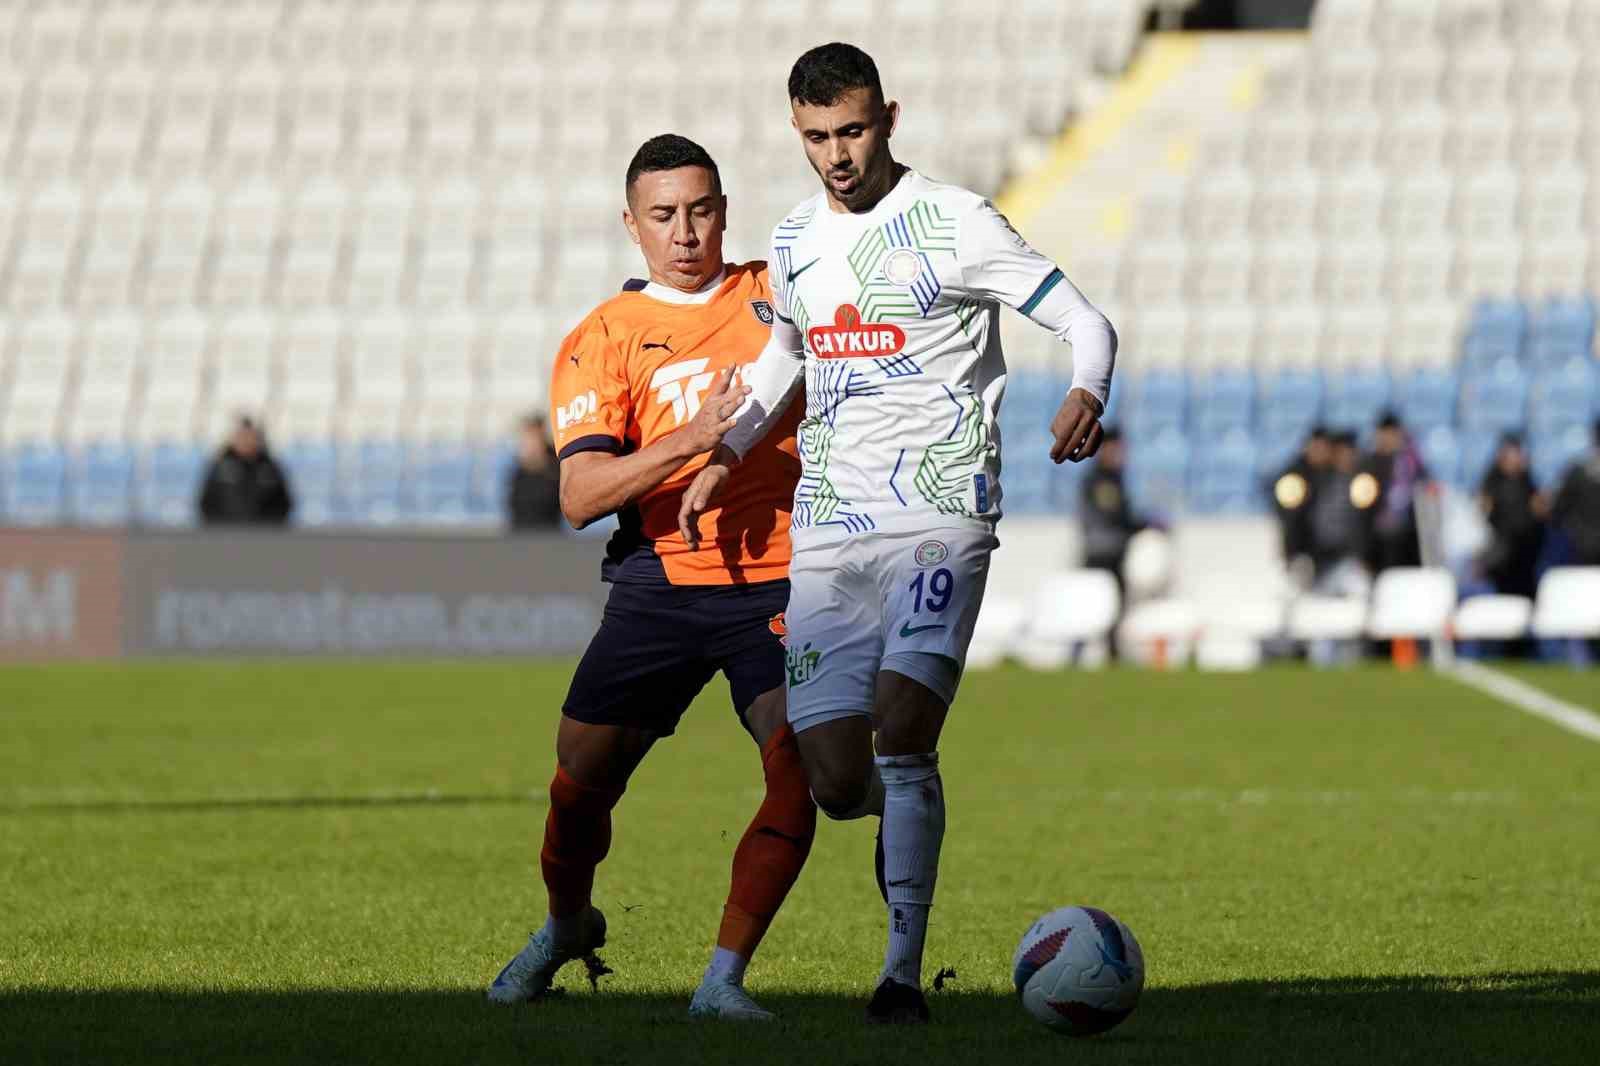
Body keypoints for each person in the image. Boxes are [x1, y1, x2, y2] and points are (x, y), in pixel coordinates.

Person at [678, 44, 1115, 1024]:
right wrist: (729, 449)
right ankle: (911, 817)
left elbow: (1085, 321)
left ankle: (900, 975)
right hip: (830, 526)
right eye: (817, 137)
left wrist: (1087, 387)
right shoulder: (794, 241)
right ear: (798, 133)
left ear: (888, 118)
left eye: (853, 130)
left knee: (904, 728)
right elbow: (786, 360)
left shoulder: (955, 222)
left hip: (939, 513)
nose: (836, 154)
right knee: (836, 778)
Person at [486, 135, 814, 1021]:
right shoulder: (604, 338)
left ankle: (722, 979)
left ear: (724, 211)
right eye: (663, 215)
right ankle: (564, 926)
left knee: (800, 769)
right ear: (631, 224)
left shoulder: (777, 292)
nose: (685, 232)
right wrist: (688, 441)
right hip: (661, 581)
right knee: (578, 778)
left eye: (701, 210)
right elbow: (580, 493)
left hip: (785, 582)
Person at [1477, 434, 1544, 600]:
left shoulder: (1527, 480)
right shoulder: (1492, 480)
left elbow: (1538, 511)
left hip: (1526, 552)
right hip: (1501, 554)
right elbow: (1484, 512)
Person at [197, 416, 293, 526]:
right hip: (226, 535)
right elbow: (205, 504)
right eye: (242, 436)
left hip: (263, 536)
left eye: (250, 436)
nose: (246, 441)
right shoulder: (219, 467)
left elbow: (284, 503)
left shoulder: (270, 467)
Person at [1361, 412, 1427, 573]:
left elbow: (1424, 492)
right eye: (1385, 434)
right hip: (1377, 538)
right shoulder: (1368, 464)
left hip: (1407, 536)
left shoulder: (1412, 462)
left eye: (1392, 434)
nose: (1388, 439)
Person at [1080, 427, 1143, 587]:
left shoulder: (1115, 479)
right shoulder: (1099, 481)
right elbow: (1114, 515)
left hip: (1116, 555)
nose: (1119, 455)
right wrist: (1145, 525)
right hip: (1102, 558)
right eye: (1115, 449)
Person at [1272, 426, 1331, 584]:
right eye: (1315, 447)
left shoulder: (1335, 474)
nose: (1319, 452)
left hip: (1330, 550)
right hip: (1301, 549)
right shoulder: (1294, 475)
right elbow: (1285, 514)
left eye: (1323, 447)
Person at [1550, 419, 1600, 567]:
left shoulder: (1576, 471)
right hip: (1583, 550)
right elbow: (1558, 511)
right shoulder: (1577, 472)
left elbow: (1558, 511)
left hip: (1583, 545)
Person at [506, 415, 562, 530]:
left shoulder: (555, 471)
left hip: (549, 535)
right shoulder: (518, 473)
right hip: (519, 533)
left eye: (533, 437)